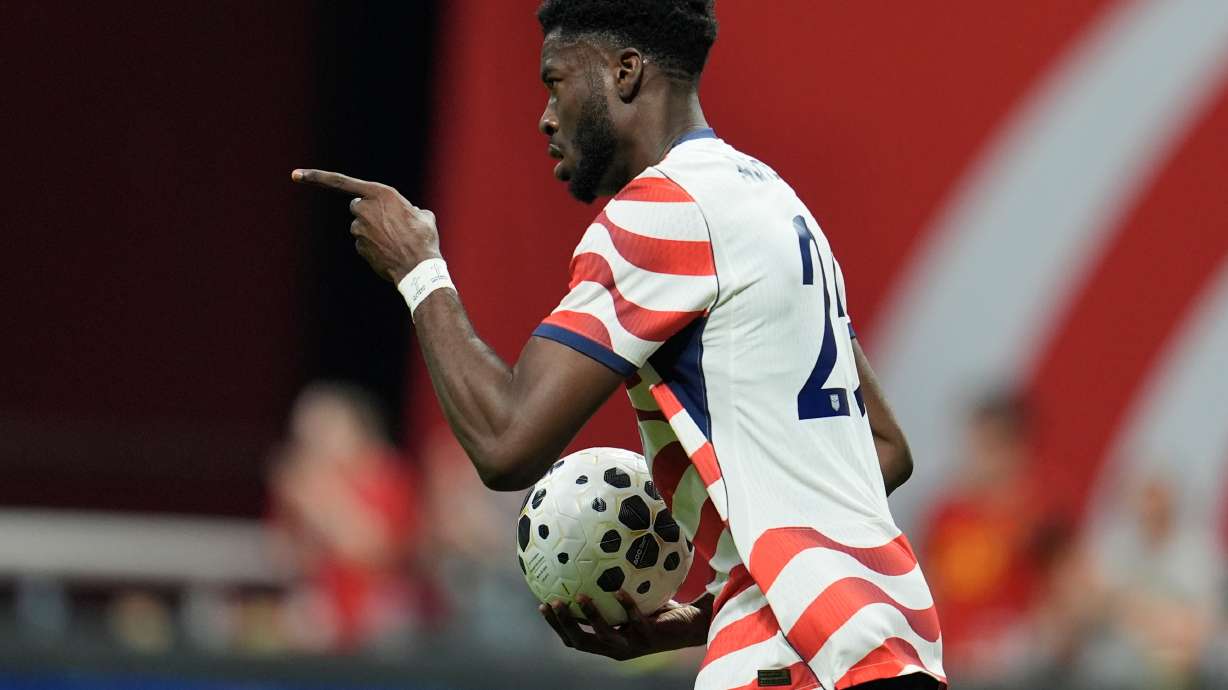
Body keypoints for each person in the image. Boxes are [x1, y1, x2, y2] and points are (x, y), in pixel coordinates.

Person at [292, 1, 944, 687]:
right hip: (889, 642)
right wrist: (718, 603)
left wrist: (418, 270)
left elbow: (506, 441)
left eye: (556, 82)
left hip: (796, 657)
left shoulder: (663, 213)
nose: (545, 116)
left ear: (624, 71)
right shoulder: (779, 205)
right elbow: (884, 448)